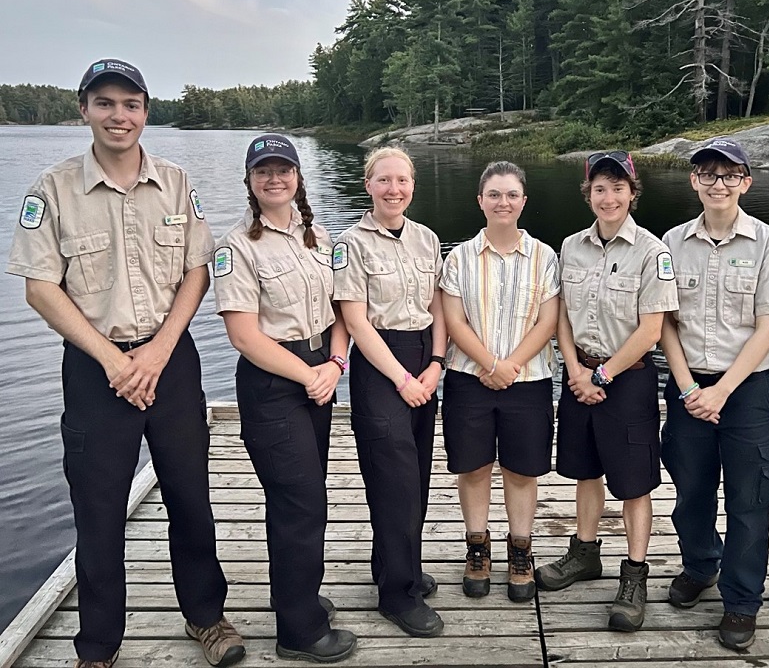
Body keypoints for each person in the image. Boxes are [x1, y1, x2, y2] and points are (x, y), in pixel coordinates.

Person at [6, 59, 244, 668]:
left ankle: (206, 619)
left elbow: (198, 268)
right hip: (94, 368)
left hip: (172, 361)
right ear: (83, 109)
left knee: (191, 498)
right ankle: (97, 648)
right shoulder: (52, 190)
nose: (120, 116)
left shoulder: (175, 181)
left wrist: (160, 350)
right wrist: (115, 360)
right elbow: (39, 286)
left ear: (146, 111)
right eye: (106, 103)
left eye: (132, 104)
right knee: (100, 511)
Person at [213, 135, 357, 663]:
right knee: (300, 502)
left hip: (320, 371)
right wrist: (311, 375)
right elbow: (245, 336)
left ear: (298, 177)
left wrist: (336, 365)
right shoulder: (236, 247)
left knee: (305, 496)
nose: (275, 179)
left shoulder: (318, 235)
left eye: (284, 170)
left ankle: (295, 596)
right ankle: (298, 631)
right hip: (274, 384)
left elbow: (342, 312)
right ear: (250, 181)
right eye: (263, 171)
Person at [658, 139, 769, 650]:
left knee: (750, 496)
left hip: (749, 388)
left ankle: (742, 600)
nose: (719, 184)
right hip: (688, 385)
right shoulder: (670, 244)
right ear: (694, 181)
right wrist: (691, 388)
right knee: (690, 488)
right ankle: (700, 565)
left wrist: (721, 392)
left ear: (746, 182)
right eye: (708, 174)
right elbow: (664, 325)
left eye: (729, 175)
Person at [534, 151, 678, 632]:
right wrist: (575, 370)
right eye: (599, 188)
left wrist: (602, 377)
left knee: (635, 483)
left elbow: (651, 329)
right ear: (588, 194)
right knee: (584, 469)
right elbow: (564, 318)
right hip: (579, 376)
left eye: (618, 187)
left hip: (628, 377)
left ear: (632, 193)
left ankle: (634, 575)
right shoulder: (570, 247)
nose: (608, 196)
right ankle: (585, 553)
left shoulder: (652, 252)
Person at [333, 147, 447, 637]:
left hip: (424, 357)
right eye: (384, 180)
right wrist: (401, 378)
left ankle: (395, 565)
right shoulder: (350, 244)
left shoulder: (426, 238)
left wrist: (437, 364)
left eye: (402, 180)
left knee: (416, 475)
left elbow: (439, 305)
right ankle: (396, 596)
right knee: (393, 477)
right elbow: (355, 321)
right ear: (368, 185)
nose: (394, 189)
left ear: (413, 185)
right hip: (382, 365)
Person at [440, 161, 560, 603]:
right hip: (468, 378)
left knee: (522, 469)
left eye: (511, 194)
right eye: (494, 194)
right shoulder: (459, 258)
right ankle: (477, 548)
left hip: (528, 379)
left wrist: (510, 365)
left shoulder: (545, 257)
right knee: (473, 468)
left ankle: (520, 551)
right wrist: (491, 363)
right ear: (481, 202)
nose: (502, 202)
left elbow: (549, 320)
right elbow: (453, 319)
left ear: (523, 202)